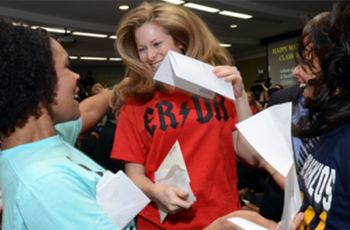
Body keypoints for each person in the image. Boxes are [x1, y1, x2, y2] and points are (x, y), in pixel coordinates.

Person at [110, 2, 263, 229]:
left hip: (222, 220)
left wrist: (239, 97)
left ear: (181, 41)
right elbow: (133, 175)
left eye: (157, 44)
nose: (150, 55)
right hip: (161, 224)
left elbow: (251, 157)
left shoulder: (217, 87)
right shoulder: (136, 101)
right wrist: (156, 191)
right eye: (142, 49)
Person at [0, 19, 118, 229]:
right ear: (39, 80)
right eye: (66, 66)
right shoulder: (46, 182)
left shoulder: (41, 144)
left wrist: (121, 88)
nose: (77, 76)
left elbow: (90, 109)